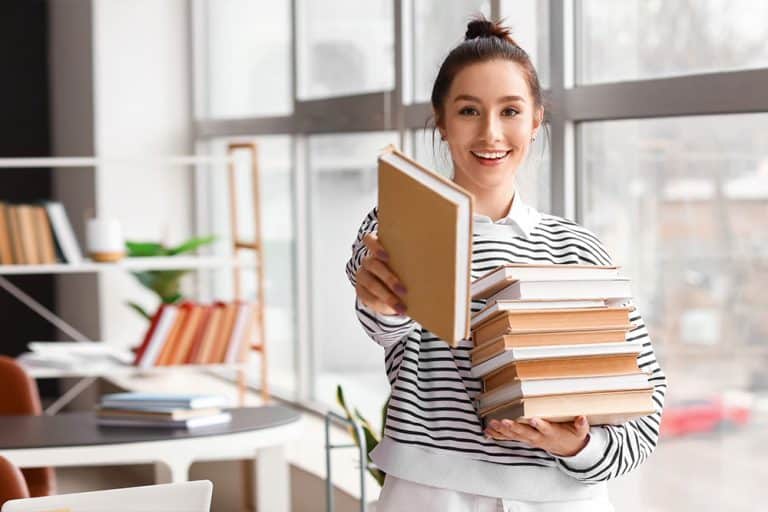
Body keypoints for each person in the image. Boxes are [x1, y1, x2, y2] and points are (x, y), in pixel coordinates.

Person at [345, 16, 666, 512]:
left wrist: (576, 446)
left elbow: (642, 399)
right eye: (469, 110)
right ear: (442, 120)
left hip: (564, 499)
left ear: (536, 121)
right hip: (432, 495)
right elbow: (386, 328)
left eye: (510, 110)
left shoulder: (579, 249)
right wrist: (381, 299)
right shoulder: (399, 218)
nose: (491, 133)